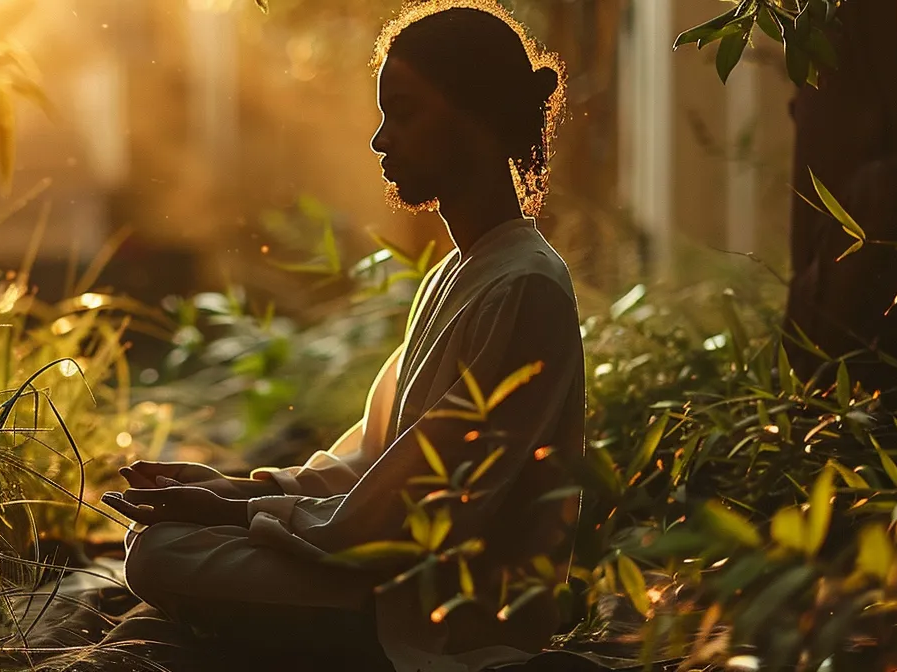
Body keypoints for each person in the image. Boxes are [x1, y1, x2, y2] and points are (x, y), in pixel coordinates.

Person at [99, 3, 585, 671]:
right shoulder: (460, 271)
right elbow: (369, 464)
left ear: (475, 116)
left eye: (406, 113)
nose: (381, 140)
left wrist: (236, 514)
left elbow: (415, 507)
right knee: (160, 540)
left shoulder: (521, 286)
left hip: (441, 602)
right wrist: (230, 491)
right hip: (382, 563)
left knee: (161, 555)